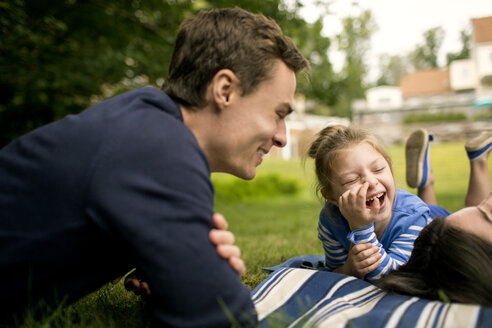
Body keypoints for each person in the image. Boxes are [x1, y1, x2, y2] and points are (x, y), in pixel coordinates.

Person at [0, 7, 309, 327]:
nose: (282, 137)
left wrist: (175, 264)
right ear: (224, 90)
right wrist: (206, 275)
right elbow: (224, 316)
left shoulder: (146, 126)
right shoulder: (158, 148)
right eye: (278, 113)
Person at [308, 125, 440, 283]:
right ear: (331, 197)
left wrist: (360, 228)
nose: (371, 182)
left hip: (437, 222)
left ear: (389, 168)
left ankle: (476, 162)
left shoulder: (414, 217)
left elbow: (394, 278)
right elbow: (333, 272)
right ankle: (424, 181)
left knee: (473, 228)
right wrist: (349, 268)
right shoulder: (331, 220)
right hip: (414, 213)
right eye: (352, 180)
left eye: (378, 169)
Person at [378, 129, 492, 306]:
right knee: (430, 218)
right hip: (424, 222)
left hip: (423, 221)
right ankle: (427, 181)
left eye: (488, 213)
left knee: (430, 218)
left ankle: (477, 162)